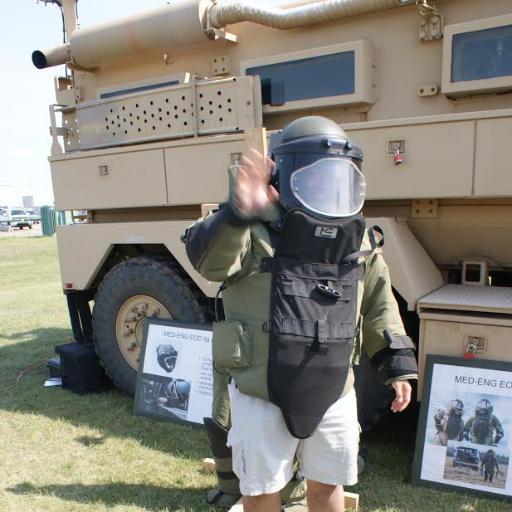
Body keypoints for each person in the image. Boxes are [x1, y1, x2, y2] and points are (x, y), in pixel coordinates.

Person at [183, 116, 418, 512]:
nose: (327, 187)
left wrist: (396, 367)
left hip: (334, 388)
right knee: (260, 489)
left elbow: (379, 302)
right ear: (286, 176)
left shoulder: (356, 239)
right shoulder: (250, 228)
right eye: (315, 176)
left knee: (328, 486)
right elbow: (208, 261)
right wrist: (237, 212)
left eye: (336, 177)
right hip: (260, 389)